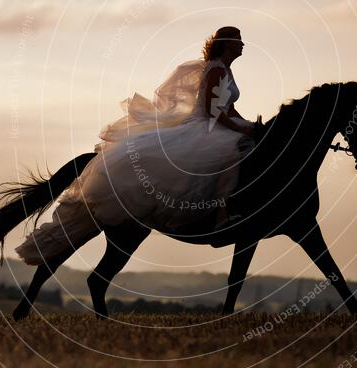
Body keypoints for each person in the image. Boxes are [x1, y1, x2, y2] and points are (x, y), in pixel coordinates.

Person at [15, 26, 255, 264]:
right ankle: (222, 215)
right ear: (226, 43)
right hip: (204, 126)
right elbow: (211, 110)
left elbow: (227, 107)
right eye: (238, 39)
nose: (243, 44)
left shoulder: (227, 71)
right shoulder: (214, 70)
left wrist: (248, 124)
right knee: (228, 154)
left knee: (245, 148)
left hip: (218, 124)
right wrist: (240, 128)